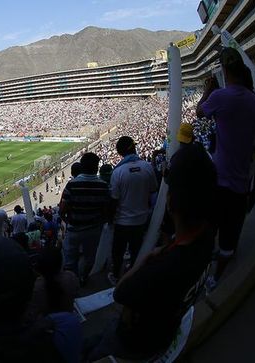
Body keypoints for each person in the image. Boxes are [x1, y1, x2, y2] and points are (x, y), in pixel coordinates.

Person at [88, 141, 217, 361]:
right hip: (165, 326)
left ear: (170, 202)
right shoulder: (207, 240)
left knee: (89, 350)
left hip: (136, 342)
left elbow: (121, 293)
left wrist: (143, 262)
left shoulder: (160, 268)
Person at [197, 47, 255, 285]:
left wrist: (208, 90)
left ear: (225, 70)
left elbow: (199, 112)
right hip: (241, 183)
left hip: (219, 180)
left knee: (210, 229)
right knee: (230, 235)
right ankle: (216, 279)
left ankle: (203, 273)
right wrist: (254, 149)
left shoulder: (220, 96)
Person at [108, 137, 157, 285]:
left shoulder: (118, 172)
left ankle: (116, 275)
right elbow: (153, 190)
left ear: (120, 152)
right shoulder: (147, 166)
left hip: (123, 221)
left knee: (118, 251)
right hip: (141, 218)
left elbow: (114, 199)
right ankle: (134, 274)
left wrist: (110, 219)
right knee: (136, 250)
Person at [60, 152, 111, 284]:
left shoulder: (72, 185)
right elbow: (106, 211)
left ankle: (73, 282)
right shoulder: (103, 186)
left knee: (70, 260)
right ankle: (84, 278)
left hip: (74, 229)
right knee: (90, 257)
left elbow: (62, 210)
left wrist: (68, 221)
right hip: (93, 229)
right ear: (96, 167)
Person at [26, 247, 79, 321]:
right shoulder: (71, 277)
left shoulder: (37, 286)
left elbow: (33, 312)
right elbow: (75, 294)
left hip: (47, 323)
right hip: (68, 317)